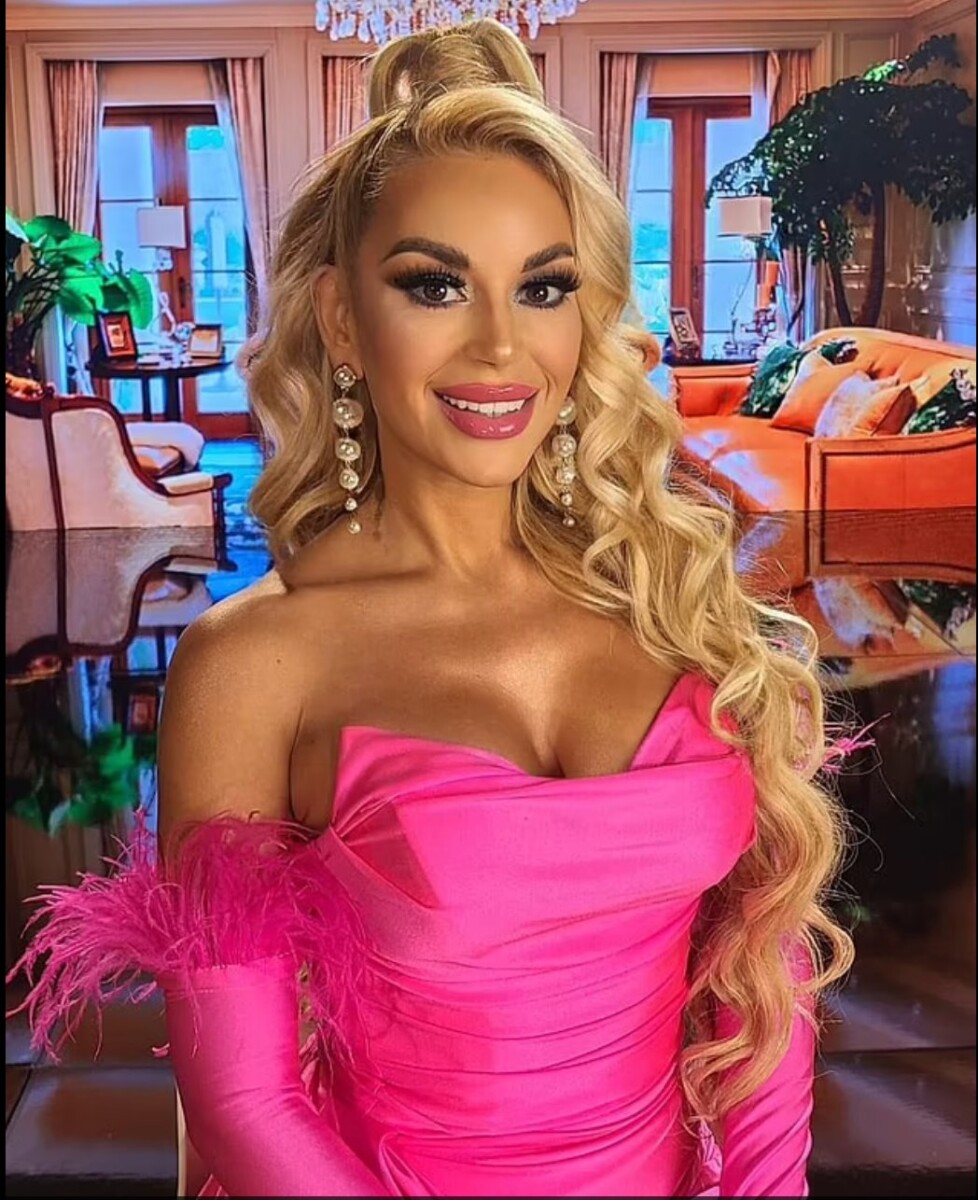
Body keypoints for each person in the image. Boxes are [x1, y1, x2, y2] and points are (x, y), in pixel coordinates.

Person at [10, 20, 856, 1198]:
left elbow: (764, 983)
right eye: (435, 285)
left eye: (543, 287)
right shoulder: (255, 661)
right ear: (341, 321)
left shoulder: (672, 600)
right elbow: (245, 1106)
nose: (501, 346)